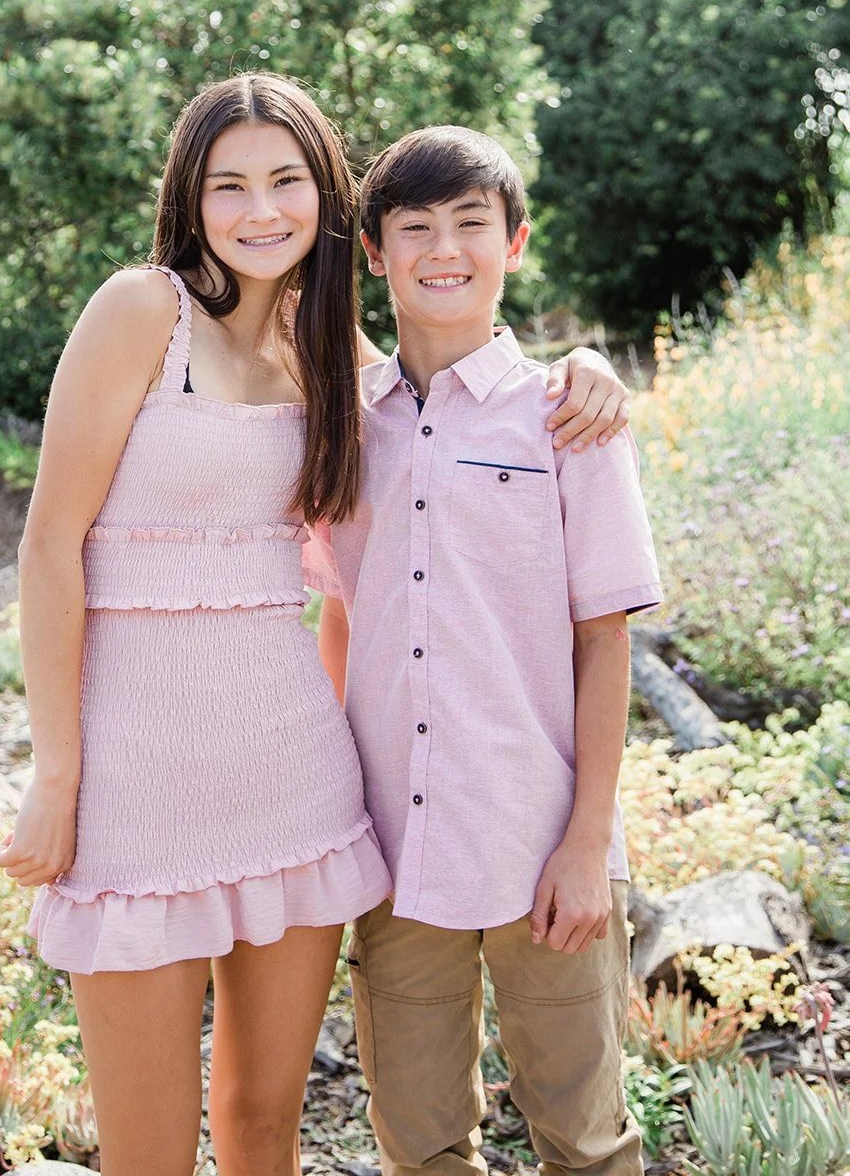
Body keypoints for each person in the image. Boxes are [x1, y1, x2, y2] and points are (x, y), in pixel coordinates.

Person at [0, 76, 632, 1176]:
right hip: (136, 777)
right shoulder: (140, 310)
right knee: (145, 1153)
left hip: (296, 774)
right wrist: (57, 774)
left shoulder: (328, 352)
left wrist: (586, 368)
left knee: (260, 1126)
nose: (259, 210)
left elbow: (455, 395)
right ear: (188, 198)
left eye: (286, 180)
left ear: (325, 202)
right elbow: (50, 545)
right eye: (228, 183)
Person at [313, 125, 663, 1176]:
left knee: (585, 1138)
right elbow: (339, 616)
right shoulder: (343, 425)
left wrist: (585, 841)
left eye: (471, 223)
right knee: (417, 1143)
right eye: (413, 227)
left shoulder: (566, 418)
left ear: (514, 241)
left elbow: (603, 642)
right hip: (391, 845)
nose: (443, 249)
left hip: (536, 836)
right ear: (373, 251)